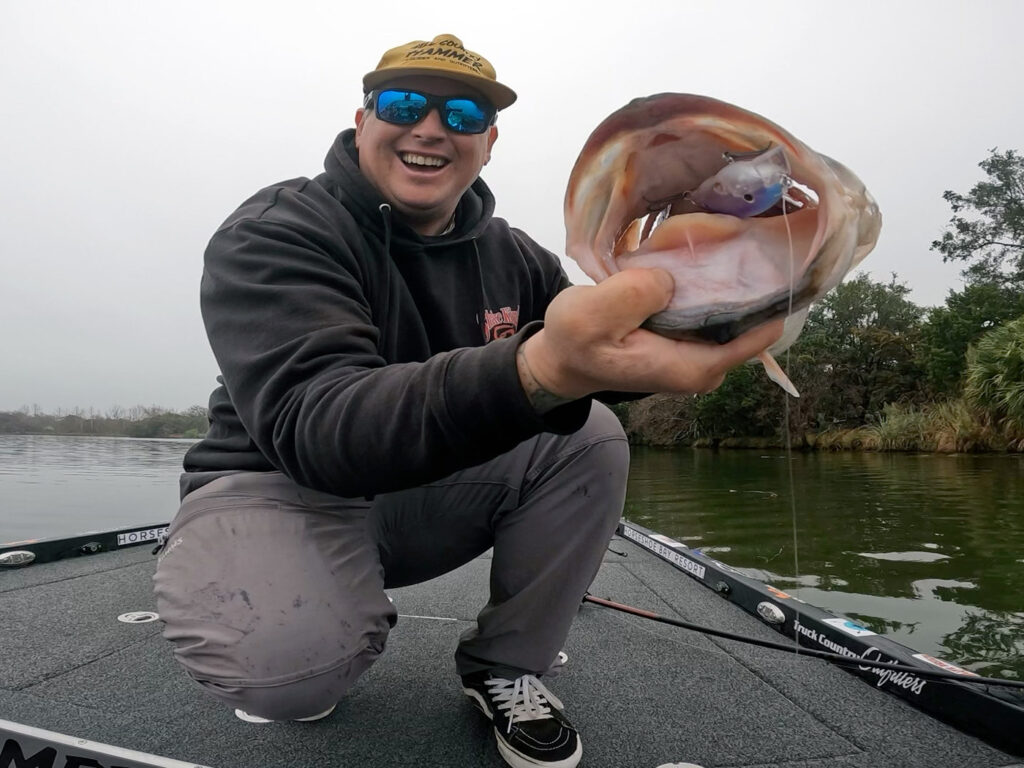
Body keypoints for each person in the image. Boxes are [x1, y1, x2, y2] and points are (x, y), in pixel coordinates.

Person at [153, 34, 781, 768]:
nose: (430, 127)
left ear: (488, 143)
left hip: (413, 493)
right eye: (403, 103)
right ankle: (289, 606)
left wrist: (720, 288)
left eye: (461, 113)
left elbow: (604, 359)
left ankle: (507, 665)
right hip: (278, 485)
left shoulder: (514, 256)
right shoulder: (281, 231)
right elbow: (316, 425)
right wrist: (542, 365)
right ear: (363, 123)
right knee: (288, 673)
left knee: (592, 436)